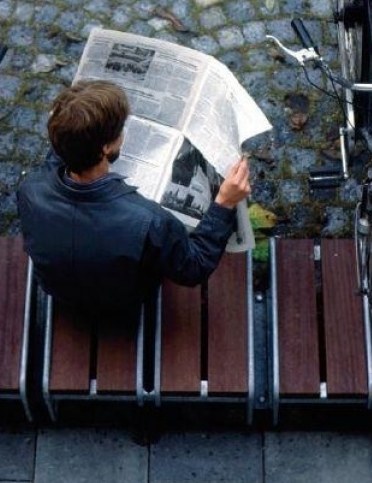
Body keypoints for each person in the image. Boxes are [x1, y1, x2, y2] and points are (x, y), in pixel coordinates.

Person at [17, 79, 251, 321]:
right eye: (120, 130)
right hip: (124, 301)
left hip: (61, 292)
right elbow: (193, 268)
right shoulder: (150, 221)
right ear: (106, 147)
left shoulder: (30, 190)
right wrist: (224, 203)